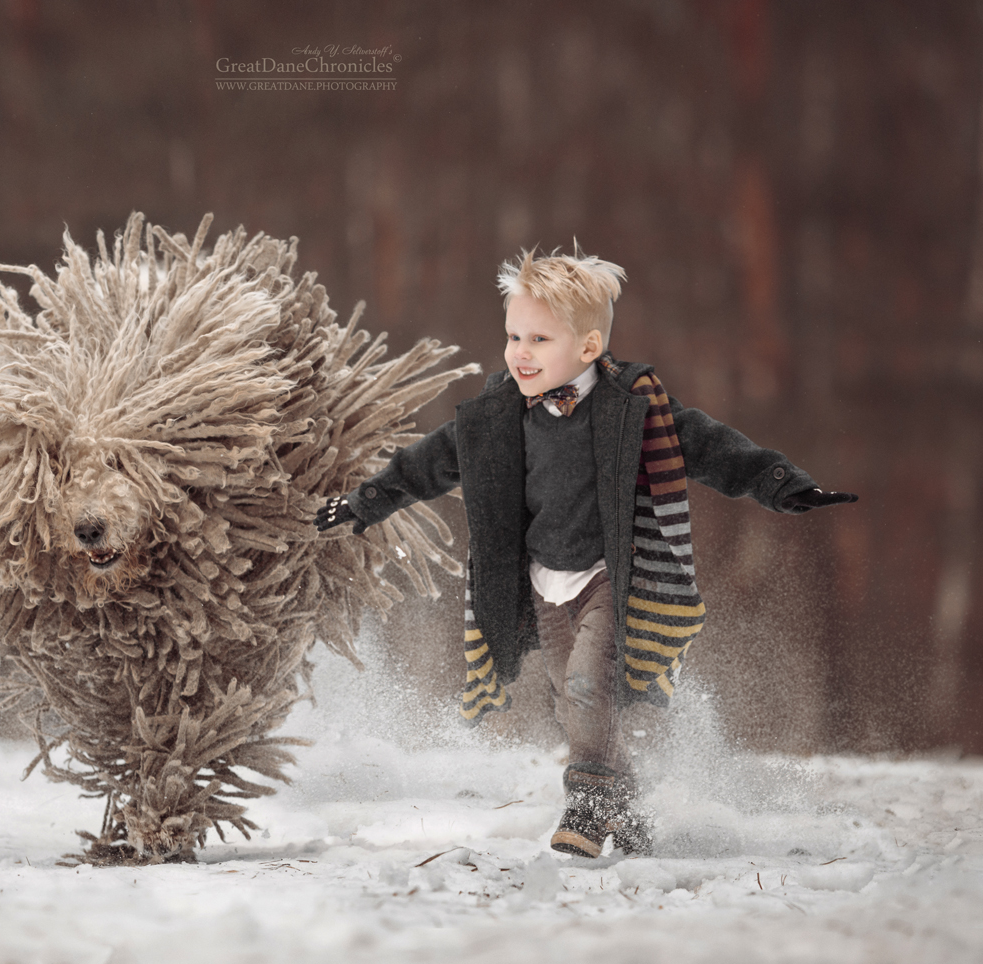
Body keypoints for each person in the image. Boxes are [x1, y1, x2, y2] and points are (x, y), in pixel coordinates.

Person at [314, 248, 857, 859]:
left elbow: (711, 446)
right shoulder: (499, 417)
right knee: (565, 698)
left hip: (612, 578)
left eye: (539, 339)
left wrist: (781, 484)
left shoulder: (632, 409)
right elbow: (428, 464)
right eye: (513, 335)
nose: (519, 352)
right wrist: (364, 503)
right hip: (545, 580)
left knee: (585, 687)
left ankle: (590, 805)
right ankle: (623, 803)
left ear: (589, 345)